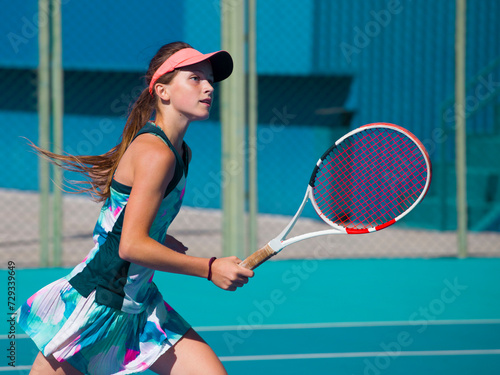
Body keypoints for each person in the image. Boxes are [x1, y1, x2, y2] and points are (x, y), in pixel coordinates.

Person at [16, 41, 254, 375]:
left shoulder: (181, 152)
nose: (207, 87)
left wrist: (160, 237)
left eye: (209, 79)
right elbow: (130, 245)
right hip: (98, 302)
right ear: (163, 91)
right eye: (195, 78)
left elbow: (126, 220)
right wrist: (209, 268)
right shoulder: (156, 154)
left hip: (140, 302)